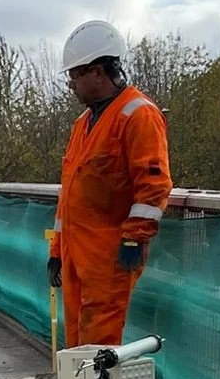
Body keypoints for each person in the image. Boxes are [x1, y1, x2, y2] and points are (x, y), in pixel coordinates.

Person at [48, 20, 171, 348]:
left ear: (98, 72)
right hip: (77, 253)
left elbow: (154, 185)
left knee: (98, 342)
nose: (72, 85)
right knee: (75, 337)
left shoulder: (137, 115)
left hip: (109, 255)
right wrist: (58, 251)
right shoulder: (82, 124)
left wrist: (134, 239)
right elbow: (69, 193)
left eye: (75, 76)